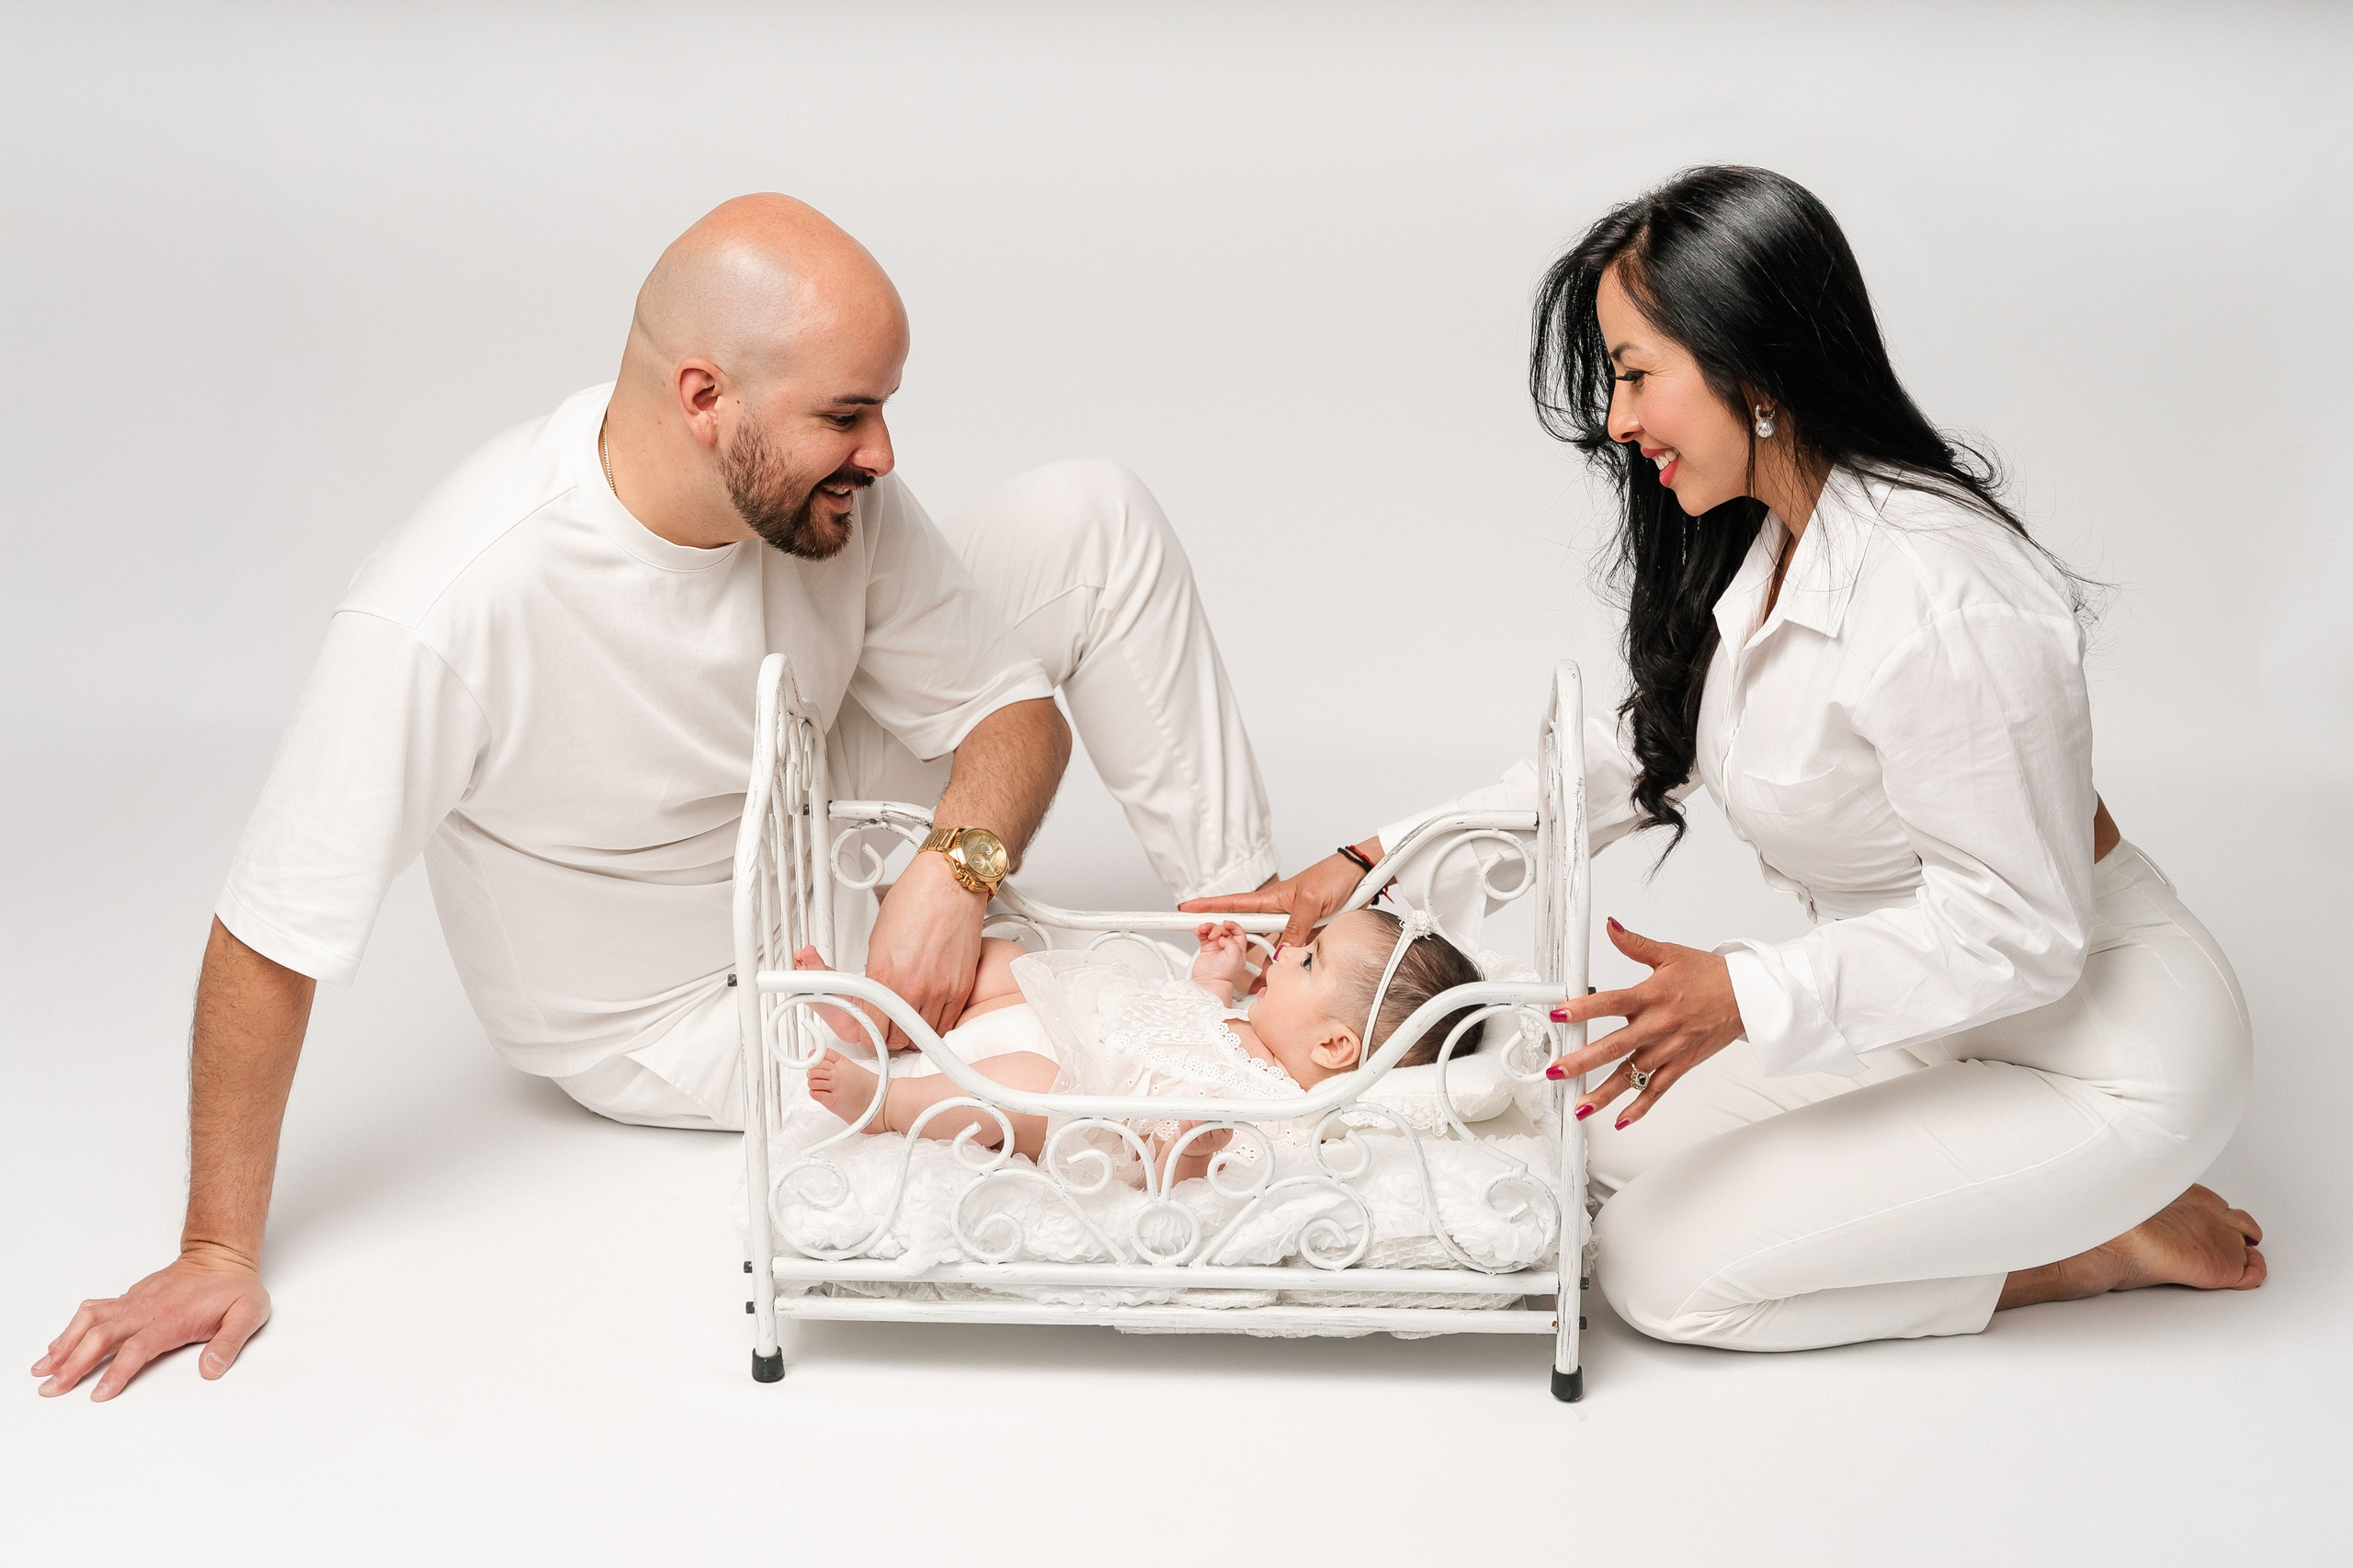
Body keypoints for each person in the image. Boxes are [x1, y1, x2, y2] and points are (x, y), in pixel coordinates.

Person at [32, 194, 1276, 1401]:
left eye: (883, 409)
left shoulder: (823, 498)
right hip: (678, 996)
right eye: (847, 415)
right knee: (1045, 1055)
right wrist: (215, 1249)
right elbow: (271, 933)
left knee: (1092, 516)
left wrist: (957, 869)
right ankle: (1267, 1064)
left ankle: (1275, 949)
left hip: (811, 795)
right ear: (703, 399)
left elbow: (1012, 713)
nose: (883, 453)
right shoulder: (452, 604)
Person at [1190, 166, 2265, 1352]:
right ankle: (1998, 1197)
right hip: (1933, 1018)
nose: (1615, 419)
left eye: (1637, 373)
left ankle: (2095, 1242)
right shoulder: (1772, 545)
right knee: (1585, 1126)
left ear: (1750, 368)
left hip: (2099, 1053)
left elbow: (2021, 928)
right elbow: (1629, 756)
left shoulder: (1942, 591)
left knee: (1658, 1272)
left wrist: (1746, 993)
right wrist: (1373, 856)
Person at [801, 913, 1485, 1173]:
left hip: (1081, 1099)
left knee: (1027, 1088)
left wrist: (1194, 1150)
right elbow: (1196, 1018)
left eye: (1309, 963)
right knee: (1002, 959)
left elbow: (1179, 1177)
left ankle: (891, 1102)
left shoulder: (1275, 1105)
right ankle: (880, 1024)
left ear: (1336, 1049)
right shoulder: (1249, 1020)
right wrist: (1215, 976)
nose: (1288, 948)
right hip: (1067, 1016)